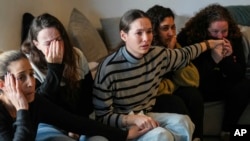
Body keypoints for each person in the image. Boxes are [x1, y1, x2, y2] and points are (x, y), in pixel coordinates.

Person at [93, 9, 225, 141]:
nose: (146, 39)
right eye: (139, 33)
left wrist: (211, 44)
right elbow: (102, 116)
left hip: (146, 114)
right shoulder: (108, 68)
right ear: (124, 35)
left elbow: (187, 53)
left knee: (184, 122)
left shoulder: (157, 55)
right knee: (162, 135)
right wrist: (131, 119)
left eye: (149, 32)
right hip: (122, 123)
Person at [0, 50, 149, 141]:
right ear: (2, 84)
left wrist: (124, 135)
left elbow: (75, 122)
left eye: (31, 74)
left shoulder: (34, 101)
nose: (31, 83)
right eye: (21, 77)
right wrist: (22, 111)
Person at [177, 4, 250, 140]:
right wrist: (213, 60)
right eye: (215, 32)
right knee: (191, 94)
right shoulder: (188, 38)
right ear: (205, 29)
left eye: (224, 31)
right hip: (199, 84)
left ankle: (228, 131)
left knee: (245, 86)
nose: (220, 36)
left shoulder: (234, 36)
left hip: (221, 83)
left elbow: (238, 75)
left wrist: (227, 59)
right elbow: (190, 78)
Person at [21, 13, 94, 140]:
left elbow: (87, 99)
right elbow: (40, 106)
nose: (56, 47)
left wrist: (76, 126)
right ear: (36, 44)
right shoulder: (29, 65)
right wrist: (54, 67)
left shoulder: (77, 55)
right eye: (48, 43)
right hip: (48, 125)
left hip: (79, 121)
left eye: (58, 40)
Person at [146, 5, 204, 141]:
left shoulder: (173, 46)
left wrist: (173, 54)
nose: (171, 33)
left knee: (193, 95)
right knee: (175, 102)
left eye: (173, 27)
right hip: (150, 99)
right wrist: (173, 84)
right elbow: (155, 89)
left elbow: (194, 80)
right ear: (153, 30)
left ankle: (197, 138)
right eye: (165, 28)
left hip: (167, 91)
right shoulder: (146, 49)